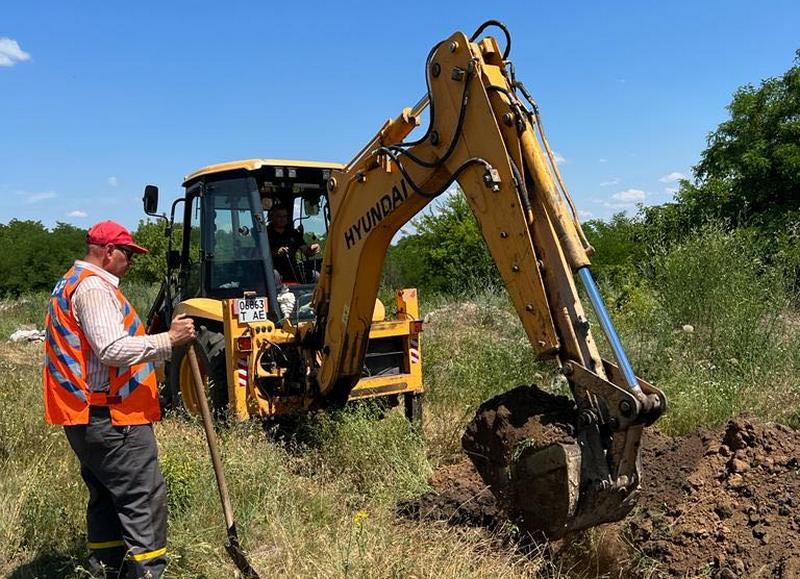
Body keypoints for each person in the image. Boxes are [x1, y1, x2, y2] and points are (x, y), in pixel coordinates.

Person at [43, 220, 196, 579]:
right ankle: (146, 573)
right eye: (127, 254)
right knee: (143, 499)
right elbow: (111, 349)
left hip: (87, 417)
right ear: (108, 251)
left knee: (106, 497)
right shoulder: (94, 288)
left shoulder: (68, 283)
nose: (131, 261)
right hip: (112, 419)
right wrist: (169, 340)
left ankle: (106, 570)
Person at [266, 206, 320, 283]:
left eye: (284, 216)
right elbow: (261, 254)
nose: (282, 219)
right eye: (279, 216)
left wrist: (312, 249)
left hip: (292, 269)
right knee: (274, 275)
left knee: (315, 275)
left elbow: (306, 251)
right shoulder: (265, 234)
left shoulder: (293, 233)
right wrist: (277, 253)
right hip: (273, 269)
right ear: (272, 217)